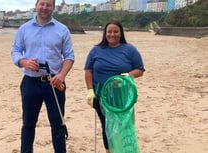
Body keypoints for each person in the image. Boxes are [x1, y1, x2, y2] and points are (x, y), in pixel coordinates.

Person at [11, 0, 75, 152]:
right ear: (36, 5)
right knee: (28, 124)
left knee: (57, 124)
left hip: (54, 83)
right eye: (42, 4)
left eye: (48, 5)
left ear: (53, 8)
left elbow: (69, 56)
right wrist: (24, 62)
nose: (44, 8)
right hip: (30, 82)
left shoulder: (62, 29)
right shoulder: (24, 28)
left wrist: (62, 75)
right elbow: (15, 50)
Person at [84, 19, 145, 153]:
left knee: (123, 126)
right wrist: (90, 91)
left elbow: (140, 70)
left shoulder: (130, 50)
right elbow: (88, 70)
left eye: (115, 31)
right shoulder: (96, 50)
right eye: (109, 31)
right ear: (105, 33)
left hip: (122, 96)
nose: (112, 34)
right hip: (101, 95)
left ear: (121, 33)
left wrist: (127, 76)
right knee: (106, 126)